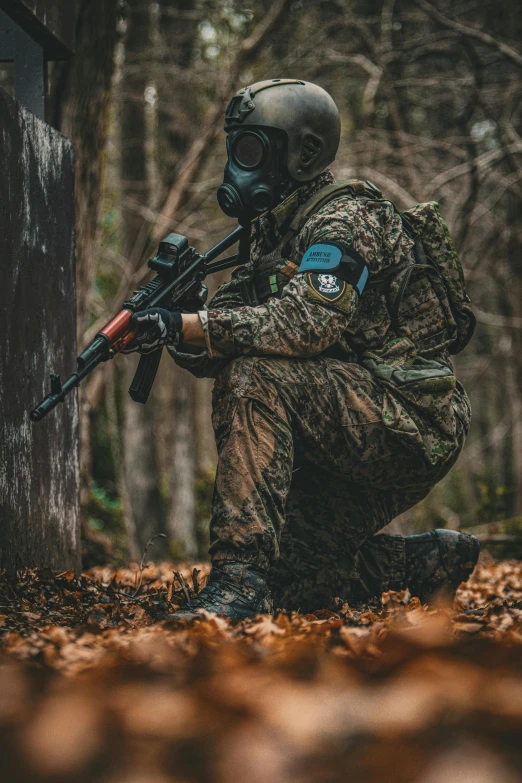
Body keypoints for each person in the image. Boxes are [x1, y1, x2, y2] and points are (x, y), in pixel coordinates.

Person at [127, 79, 479, 618]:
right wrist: (181, 318)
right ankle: (423, 561)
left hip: (411, 420)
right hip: (350, 423)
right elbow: (216, 348)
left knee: (256, 376)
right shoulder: (273, 235)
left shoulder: (346, 219)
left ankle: (237, 585)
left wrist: (187, 323)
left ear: (304, 152)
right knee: (290, 582)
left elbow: (303, 326)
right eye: (236, 150)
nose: (238, 168)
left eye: (252, 151)